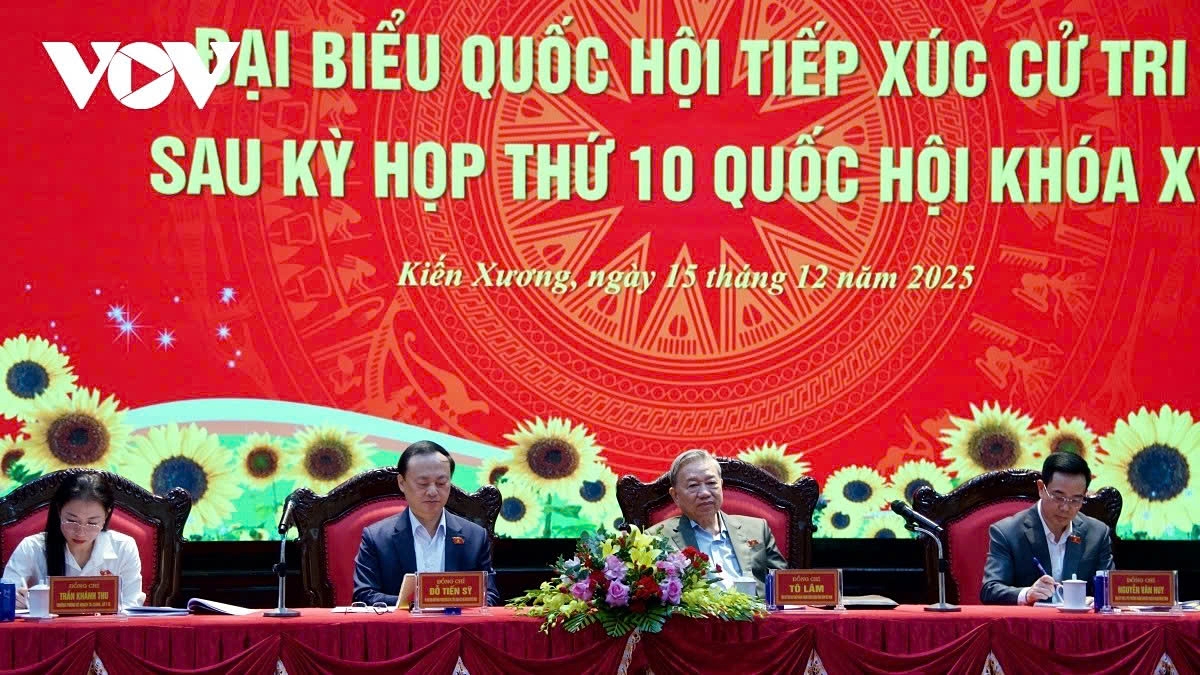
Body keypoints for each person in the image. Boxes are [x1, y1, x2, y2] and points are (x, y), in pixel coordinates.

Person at [352, 440, 500, 606]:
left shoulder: (475, 537)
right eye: (423, 483)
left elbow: (490, 595)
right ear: (402, 483)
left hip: (457, 629)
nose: (432, 491)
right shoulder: (377, 538)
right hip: (401, 630)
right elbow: (363, 595)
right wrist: (416, 602)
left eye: (441, 483)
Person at [647, 449, 787, 597]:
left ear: (721, 485)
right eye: (693, 485)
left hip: (758, 615)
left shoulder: (757, 529)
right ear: (675, 496)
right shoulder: (657, 538)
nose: (705, 493)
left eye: (711, 483)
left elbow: (784, 586)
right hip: (700, 618)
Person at [980, 452, 1115, 605]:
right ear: (1041, 488)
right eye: (1058, 497)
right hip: (1029, 626)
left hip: (1080, 625)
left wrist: (1098, 599)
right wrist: (1027, 594)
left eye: (1075, 500)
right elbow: (990, 590)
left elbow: (1111, 590)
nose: (1065, 507)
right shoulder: (1007, 532)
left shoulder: (1097, 533)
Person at [1, 471, 144, 610]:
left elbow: (131, 606)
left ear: (107, 515)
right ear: (59, 511)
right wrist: (15, 600)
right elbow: (6, 595)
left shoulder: (124, 547)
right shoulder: (32, 547)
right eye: (71, 520)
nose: (80, 532)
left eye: (92, 523)